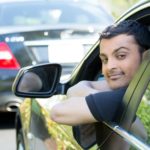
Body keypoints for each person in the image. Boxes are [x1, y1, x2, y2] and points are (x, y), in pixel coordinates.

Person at [50, 20, 150, 148]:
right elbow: (74, 90)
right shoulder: (128, 91)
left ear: (146, 56)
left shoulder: (118, 99)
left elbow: (57, 112)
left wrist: (105, 103)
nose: (110, 67)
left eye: (121, 55)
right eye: (105, 59)